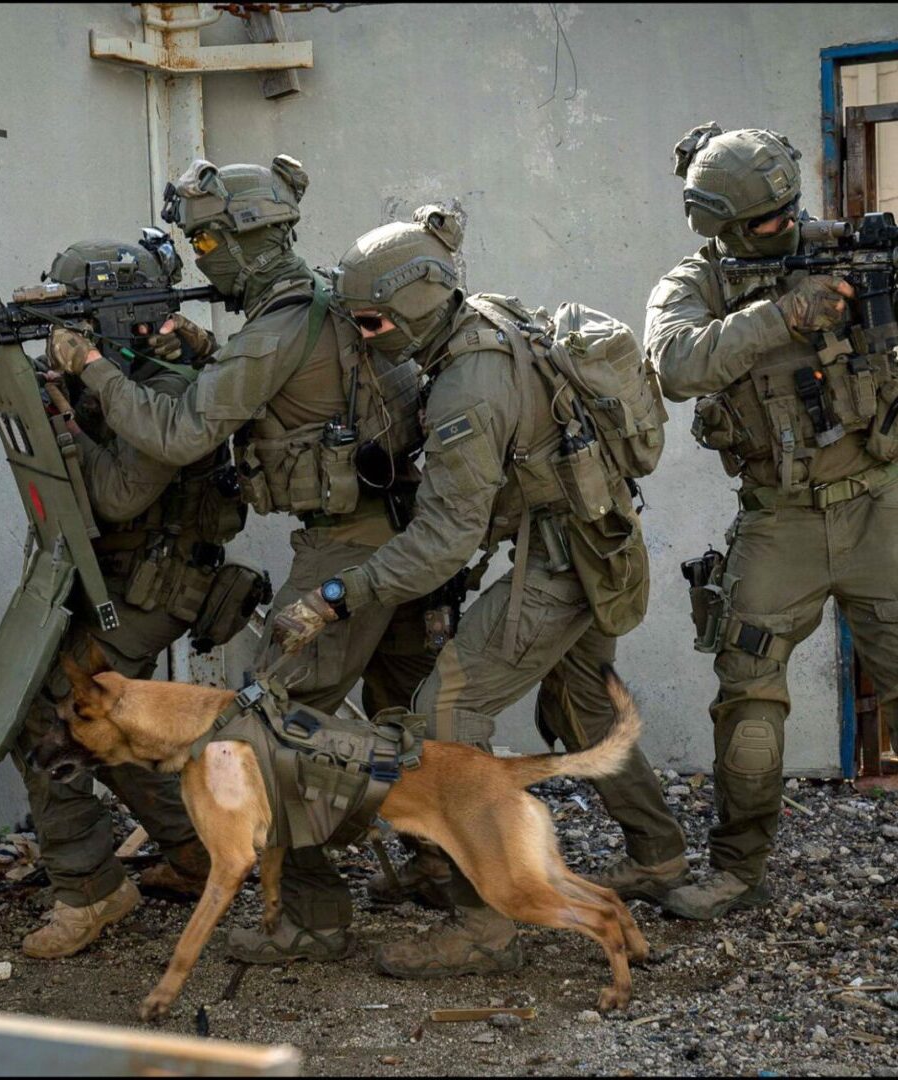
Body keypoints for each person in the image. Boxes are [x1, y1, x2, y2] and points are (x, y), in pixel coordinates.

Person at [271, 206, 687, 977]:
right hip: (597, 541)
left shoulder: (466, 388)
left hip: (560, 567)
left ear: (412, 311)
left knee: (445, 718)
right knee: (583, 706)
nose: (365, 338)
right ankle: (660, 858)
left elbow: (444, 541)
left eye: (371, 324)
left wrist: (336, 595)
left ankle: (481, 928)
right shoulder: (486, 314)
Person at [46, 157, 436, 963]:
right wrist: (199, 344)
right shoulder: (317, 297)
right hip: (401, 531)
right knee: (409, 715)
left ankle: (317, 917)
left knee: (271, 727)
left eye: (209, 238)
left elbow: (181, 431)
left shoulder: (280, 321)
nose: (200, 256)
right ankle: (451, 877)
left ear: (250, 237)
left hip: (349, 541)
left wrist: (88, 367)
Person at [0, 235, 245, 957]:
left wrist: (76, 382)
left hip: (153, 582)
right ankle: (193, 854)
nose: (75, 334)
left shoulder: (168, 385)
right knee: (107, 727)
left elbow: (120, 492)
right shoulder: (118, 364)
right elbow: (34, 404)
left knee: (50, 718)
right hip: (101, 576)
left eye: (85, 317)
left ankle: (92, 891)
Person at [645, 123, 896, 920]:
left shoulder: (843, 252)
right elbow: (678, 365)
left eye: (788, 210)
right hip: (779, 523)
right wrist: (784, 316)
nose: (784, 228)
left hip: (881, 503)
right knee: (748, 707)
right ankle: (737, 869)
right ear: (719, 226)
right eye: (762, 223)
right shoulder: (696, 283)